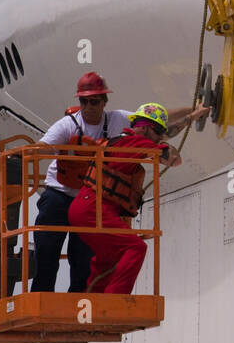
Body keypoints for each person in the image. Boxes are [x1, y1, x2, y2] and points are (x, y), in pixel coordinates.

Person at [69, 101, 207, 294]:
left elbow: (164, 137)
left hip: (84, 208)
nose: (159, 138)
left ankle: (94, 297)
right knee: (136, 248)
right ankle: (115, 301)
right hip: (94, 209)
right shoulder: (137, 143)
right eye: (158, 132)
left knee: (108, 256)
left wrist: (191, 117)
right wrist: (188, 121)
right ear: (149, 129)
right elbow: (175, 159)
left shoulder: (121, 140)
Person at [31, 72, 131, 292]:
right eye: (83, 101)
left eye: (94, 101)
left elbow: (150, 120)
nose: (88, 106)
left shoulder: (117, 120)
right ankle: (41, 297)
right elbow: (45, 145)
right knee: (46, 250)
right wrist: (30, 152)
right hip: (58, 195)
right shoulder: (67, 125)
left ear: (104, 102)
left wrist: (190, 114)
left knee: (84, 258)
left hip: (88, 201)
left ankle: (78, 302)